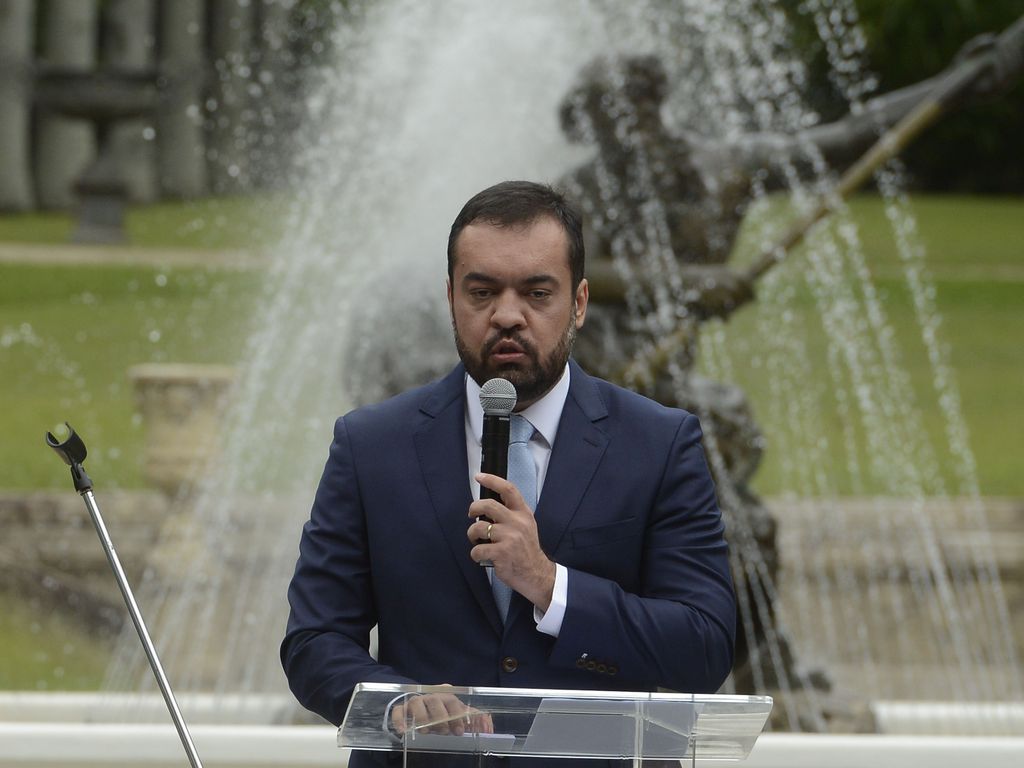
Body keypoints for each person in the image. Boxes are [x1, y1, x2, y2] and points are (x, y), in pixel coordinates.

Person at [280, 180, 737, 767]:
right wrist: (397, 704)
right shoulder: (370, 445)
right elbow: (314, 641)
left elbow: (703, 644)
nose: (506, 316)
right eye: (482, 292)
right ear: (450, 297)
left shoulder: (658, 443)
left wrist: (550, 586)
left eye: (537, 293)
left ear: (578, 302)